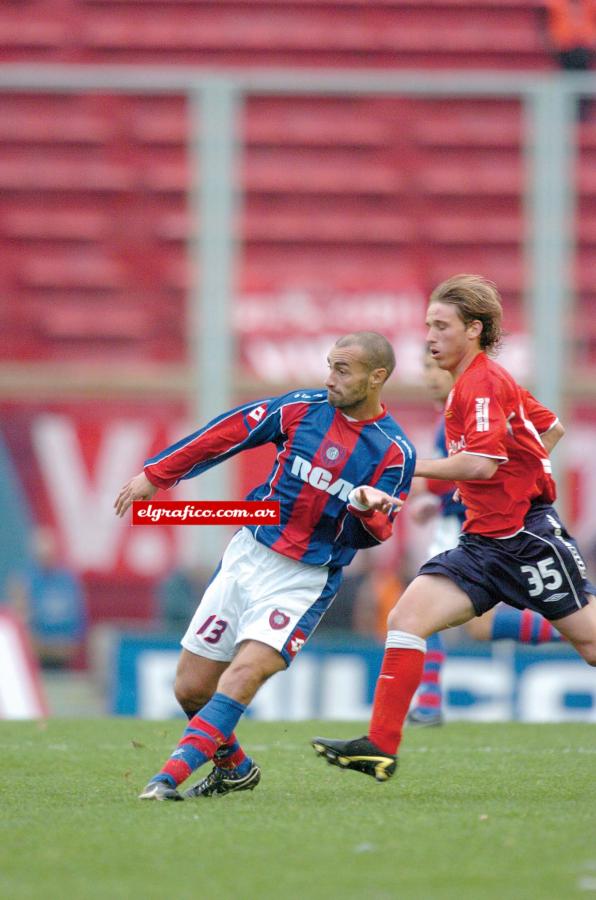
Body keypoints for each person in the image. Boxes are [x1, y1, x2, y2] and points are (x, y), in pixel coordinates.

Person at [312, 275, 596, 782]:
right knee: (407, 617)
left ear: (474, 329)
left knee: (591, 644)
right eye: (427, 325)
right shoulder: (478, 383)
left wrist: (407, 468)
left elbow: (484, 463)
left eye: (441, 326)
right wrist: (503, 482)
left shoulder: (482, 383)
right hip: (481, 543)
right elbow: (547, 429)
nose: (430, 337)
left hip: (526, 541)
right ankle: (379, 745)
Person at [114, 331, 416, 800]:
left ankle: (166, 779)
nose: (330, 378)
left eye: (343, 370)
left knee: (242, 674)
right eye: (330, 366)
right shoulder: (300, 409)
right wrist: (156, 475)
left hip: (304, 579)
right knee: (191, 689)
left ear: (377, 378)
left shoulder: (395, 452)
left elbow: (375, 535)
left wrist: (365, 510)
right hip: (248, 555)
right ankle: (235, 769)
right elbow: (227, 433)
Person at [408, 351, 565, 727]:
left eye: (436, 367)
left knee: (416, 612)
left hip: (477, 530)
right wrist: (436, 500)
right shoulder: (451, 413)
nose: (430, 375)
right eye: (426, 368)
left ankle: (428, 702)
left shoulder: (475, 405)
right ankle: (578, 632)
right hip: (468, 525)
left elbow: (480, 465)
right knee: (474, 626)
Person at [6, 525, 87, 670]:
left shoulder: (68, 581)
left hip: (64, 651)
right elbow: (19, 620)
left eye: (48, 552)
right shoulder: (24, 581)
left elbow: (79, 620)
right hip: (35, 652)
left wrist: (67, 644)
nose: (45, 556)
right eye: (41, 553)